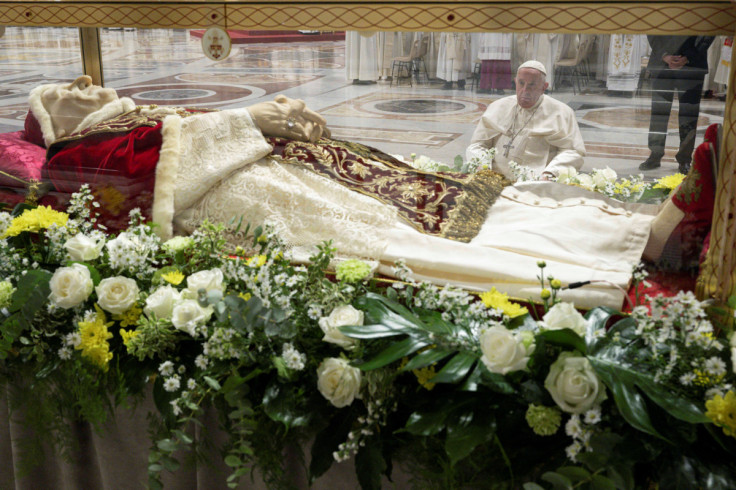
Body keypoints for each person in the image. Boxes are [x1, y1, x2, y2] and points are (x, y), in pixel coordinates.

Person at [24, 76, 710, 310]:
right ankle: (599, 268)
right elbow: (147, 178)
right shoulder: (75, 153)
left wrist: (277, 120)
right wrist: (248, 119)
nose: (87, 85)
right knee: (408, 245)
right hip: (252, 197)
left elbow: (183, 134)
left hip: (288, 165)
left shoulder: (118, 115)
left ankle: (639, 232)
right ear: (55, 119)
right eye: (68, 93)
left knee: (453, 200)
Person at [466, 60, 586, 180]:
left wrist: (550, 173)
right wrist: (483, 167)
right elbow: (478, 144)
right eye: (521, 83)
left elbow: (573, 152)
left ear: (544, 87)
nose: (524, 90)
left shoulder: (561, 112)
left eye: (532, 85)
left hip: (536, 182)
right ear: (515, 82)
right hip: (494, 177)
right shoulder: (498, 106)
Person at [639, 35, 715, 174]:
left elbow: (707, 33)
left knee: (689, 114)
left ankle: (685, 158)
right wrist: (664, 55)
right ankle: (655, 154)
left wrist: (688, 56)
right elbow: (652, 28)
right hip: (662, 64)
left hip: (693, 64)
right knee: (659, 113)